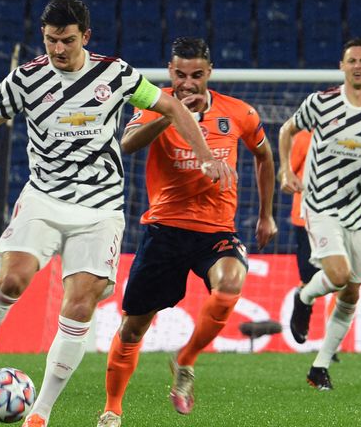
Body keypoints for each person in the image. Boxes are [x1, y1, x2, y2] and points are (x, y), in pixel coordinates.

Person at [0, 0, 232, 426]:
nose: (58, 49)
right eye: (51, 40)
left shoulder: (116, 73)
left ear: (85, 37)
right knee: (12, 278)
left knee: (80, 305)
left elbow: (172, 107)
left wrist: (204, 156)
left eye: (67, 40)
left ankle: (40, 413)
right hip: (44, 199)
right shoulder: (25, 79)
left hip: (100, 207)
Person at [98, 37, 277, 427]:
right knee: (133, 328)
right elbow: (126, 144)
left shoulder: (239, 113)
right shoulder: (154, 102)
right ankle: (112, 408)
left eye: (196, 75)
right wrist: (171, 113)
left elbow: (264, 156)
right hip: (165, 230)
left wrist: (267, 215)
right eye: (180, 75)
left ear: (209, 73)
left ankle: (186, 360)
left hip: (216, 232)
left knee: (230, 284)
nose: (188, 83)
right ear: (170, 71)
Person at [278, 37, 361, 391]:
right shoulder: (321, 102)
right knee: (338, 275)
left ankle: (319, 366)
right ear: (342, 66)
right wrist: (285, 170)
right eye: (351, 60)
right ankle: (304, 297)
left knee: (352, 292)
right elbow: (286, 130)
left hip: (360, 210)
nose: (357, 65)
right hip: (320, 203)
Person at [287, 129, 340, 364]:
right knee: (310, 280)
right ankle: (302, 304)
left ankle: (332, 340)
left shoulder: (350, 138)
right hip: (306, 218)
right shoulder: (304, 138)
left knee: (343, 279)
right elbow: (288, 172)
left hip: (339, 219)